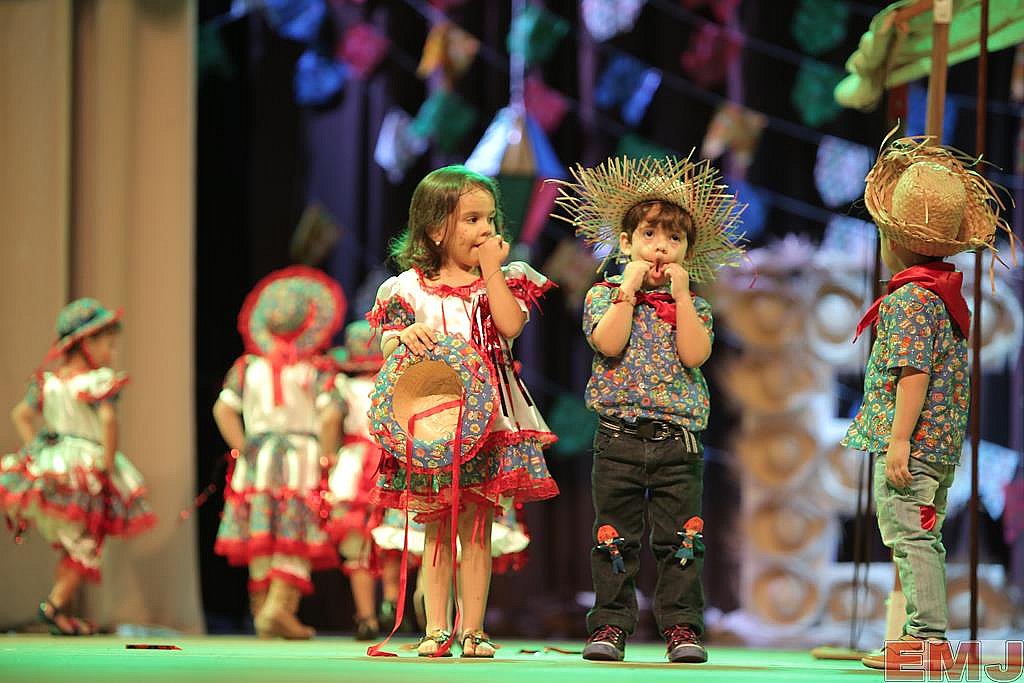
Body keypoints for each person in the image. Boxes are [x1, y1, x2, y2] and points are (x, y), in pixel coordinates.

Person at [553, 155, 745, 663]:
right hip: (617, 437)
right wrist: (628, 290)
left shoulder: (695, 307)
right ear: (626, 244)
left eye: (674, 238)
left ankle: (681, 629)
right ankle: (610, 626)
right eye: (649, 234)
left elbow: (695, 355)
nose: (661, 246)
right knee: (614, 538)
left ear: (687, 253)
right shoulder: (603, 296)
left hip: (677, 441)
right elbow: (609, 343)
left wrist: (681, 298)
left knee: (682, 540)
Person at [367, 165, 559, 657]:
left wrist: (492, 270)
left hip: (487, 421)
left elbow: (510, 326)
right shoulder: (407, 289)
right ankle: (436, 628)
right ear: (436, 229)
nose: (485, 230)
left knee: (476, 526)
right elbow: (388, 345)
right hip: (433, 423)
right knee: (436, 525)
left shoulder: (501, 280)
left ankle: (473, 629)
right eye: (472, 220)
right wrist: (401, 337)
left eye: (490, 219)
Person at [841, 135, 1014, 671]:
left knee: (910, 536)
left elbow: (912, 372)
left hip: (914, 445)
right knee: (923, 535)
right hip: (937, 445)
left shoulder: (912, 299)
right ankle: (925, 636)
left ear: (894, 239)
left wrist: (898, 439)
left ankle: (926, 639)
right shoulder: (943, 295)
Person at [1, 298, 155, 635]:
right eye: (107, 345)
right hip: (85, 467)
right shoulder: (96, 381)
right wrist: (107, 463)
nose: (111, 353)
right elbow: (108, 420)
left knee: (74, 541)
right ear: (86, 343)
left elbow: (21, 415)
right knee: (85, 543)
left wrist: (37, 451)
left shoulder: (48, 383)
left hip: (56, 467)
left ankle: (61, 611)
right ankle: (54, 605)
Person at [212, 266, 344, 639]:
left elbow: (222, 409)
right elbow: (331, 415)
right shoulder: (315, 369)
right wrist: (330, 455)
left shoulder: (247, 367)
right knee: (294, 528)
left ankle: (262, 609)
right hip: (298, 456)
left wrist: (242, 447)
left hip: (258, 457)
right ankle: (278, 609)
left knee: (261, 530)